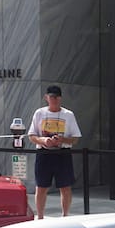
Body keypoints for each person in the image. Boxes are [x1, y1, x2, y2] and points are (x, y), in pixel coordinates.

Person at [27, 85, 82, 219]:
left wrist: (63, 139)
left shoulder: (68, 115)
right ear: (46, 98)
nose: (54, 100)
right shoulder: (39, 113)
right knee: (41, 186)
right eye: (52, 97)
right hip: (44, 153)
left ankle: (65, 215)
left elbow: (75, 139)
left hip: (62, 153)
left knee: (65, 186)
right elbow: (31, 135)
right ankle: (40, 216)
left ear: (60, 98)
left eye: (57, 97)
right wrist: (44, 141)